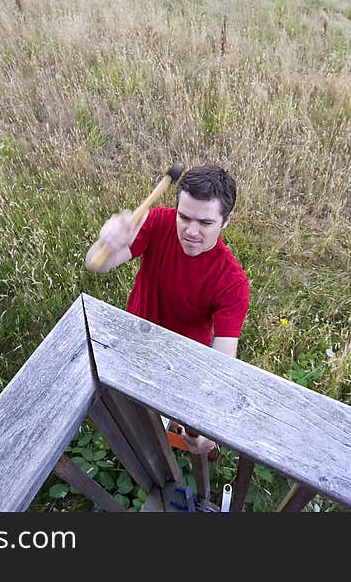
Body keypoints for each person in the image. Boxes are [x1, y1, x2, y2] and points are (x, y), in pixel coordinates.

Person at [85, 165, 249, 455]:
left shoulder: (232, 282)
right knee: (127, 417)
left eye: (205, 222)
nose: (191, 231)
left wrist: (209, 430)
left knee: (154, 431)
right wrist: (108, 244)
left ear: (226, 222)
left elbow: (223, 364)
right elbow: (96, 264)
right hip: (131, 341)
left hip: (180, 365)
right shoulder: (158, 222)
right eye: (184, 217)